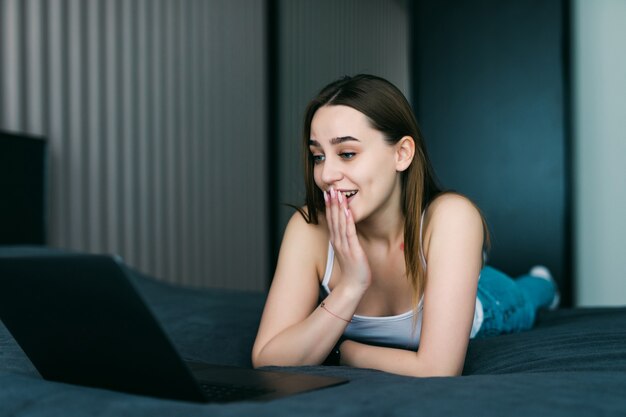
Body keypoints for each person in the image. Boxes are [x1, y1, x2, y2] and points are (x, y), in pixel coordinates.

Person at [251, 74, 558, 377]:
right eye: (318, 156)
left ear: (402, 154)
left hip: (488, 301)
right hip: (438, 256)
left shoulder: (452, 217)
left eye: (346, 153)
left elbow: (438, 369)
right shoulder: (309, 229)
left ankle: (541, 281)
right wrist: (350, 287)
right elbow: (267, 358)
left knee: (529, 294)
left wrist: (346, 351)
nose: (326, 174)